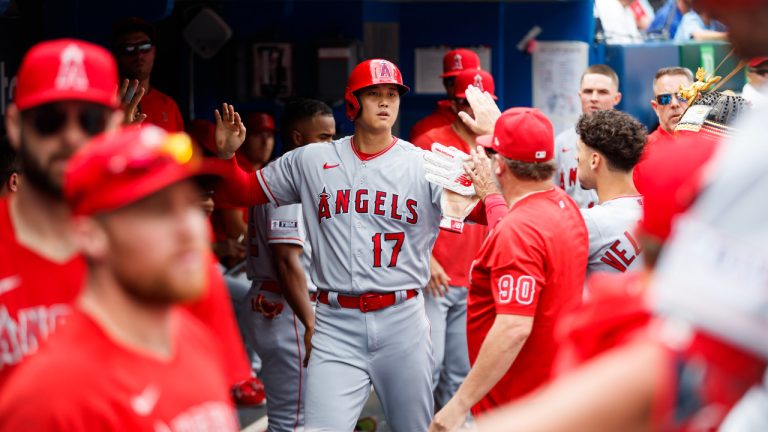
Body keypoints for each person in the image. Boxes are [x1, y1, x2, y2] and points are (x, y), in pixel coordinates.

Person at [0, 38, 250, 392]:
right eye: (49, 120)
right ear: (15, 125)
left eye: (88, 119)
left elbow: (205, 399)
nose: (71, 137)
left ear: (114, 124)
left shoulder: (174, 252)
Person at [211, 59, 446, 431]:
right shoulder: (311, 159)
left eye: (392, 94)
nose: (385, 102)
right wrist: (227, 157)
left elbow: (480, 211)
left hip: (401, 316)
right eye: (374, 94)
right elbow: (244, 191)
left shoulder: (425, 164)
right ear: (353, 102)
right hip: (335, 320)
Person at [0, 126, 239, 430]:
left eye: (190, 204)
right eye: (158, 211)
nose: (191, 229)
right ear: (89, 234)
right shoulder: (50, 400)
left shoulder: (198, 342)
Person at [429, 108, 589, 431]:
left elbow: (514, 327)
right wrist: (491, 197)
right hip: (549, 391)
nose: (486, 159)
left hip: (515, 406)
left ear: (500, 166)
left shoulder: (517, 230)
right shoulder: (564, 203)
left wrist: (458, 405)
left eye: (491, 153)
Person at [243, 98, 334, 432]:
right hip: (288, 309)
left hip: (274, 305)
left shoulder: (272, 174)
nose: (331, 145)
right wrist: (310, 324)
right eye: (323, 137)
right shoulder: (290, 182)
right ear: (297, 138)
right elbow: (285, 259)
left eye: (333, 137)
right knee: (293, 422)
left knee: (295, 419)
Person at [412, 69, 494, 410]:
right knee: (428, 368)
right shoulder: (429, 140)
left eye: (482, 102)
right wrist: (426, 258)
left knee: (461, 373)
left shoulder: (495, 145)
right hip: (437, 274)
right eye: (468, 102)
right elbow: (406, 208)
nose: (474, 110)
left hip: (475, 272)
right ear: (456, 103)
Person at [576, 110, 646, 275]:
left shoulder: (589, 222)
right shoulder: (657, 210)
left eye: (578, 150)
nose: (576, 157)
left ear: (594, 160)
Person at [554, 64, 622, 209]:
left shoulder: (626, 142)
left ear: (616, 98)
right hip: (573, 226)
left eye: (602, 92)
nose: (594, 98)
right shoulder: (562, 143)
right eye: (588, 91)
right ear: (580, 95)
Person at [112, 16, 184, 132]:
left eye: (144, 46)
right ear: (116, 55)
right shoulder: (106, 102)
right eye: (128, 48)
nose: (138, 55)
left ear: (154, 51)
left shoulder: (169, 106)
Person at [410, 48, 481, 141]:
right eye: (451, 81)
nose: (457, 86)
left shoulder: (492, 122)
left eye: (465, 80)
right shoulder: (425, 129)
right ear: (444, 83)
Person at [648, 67, 693, 146]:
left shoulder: (717, 148)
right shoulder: (644, 150)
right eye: (665, 98)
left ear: (696, 101)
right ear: (656, 108)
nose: (674, 104)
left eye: (682, 95)